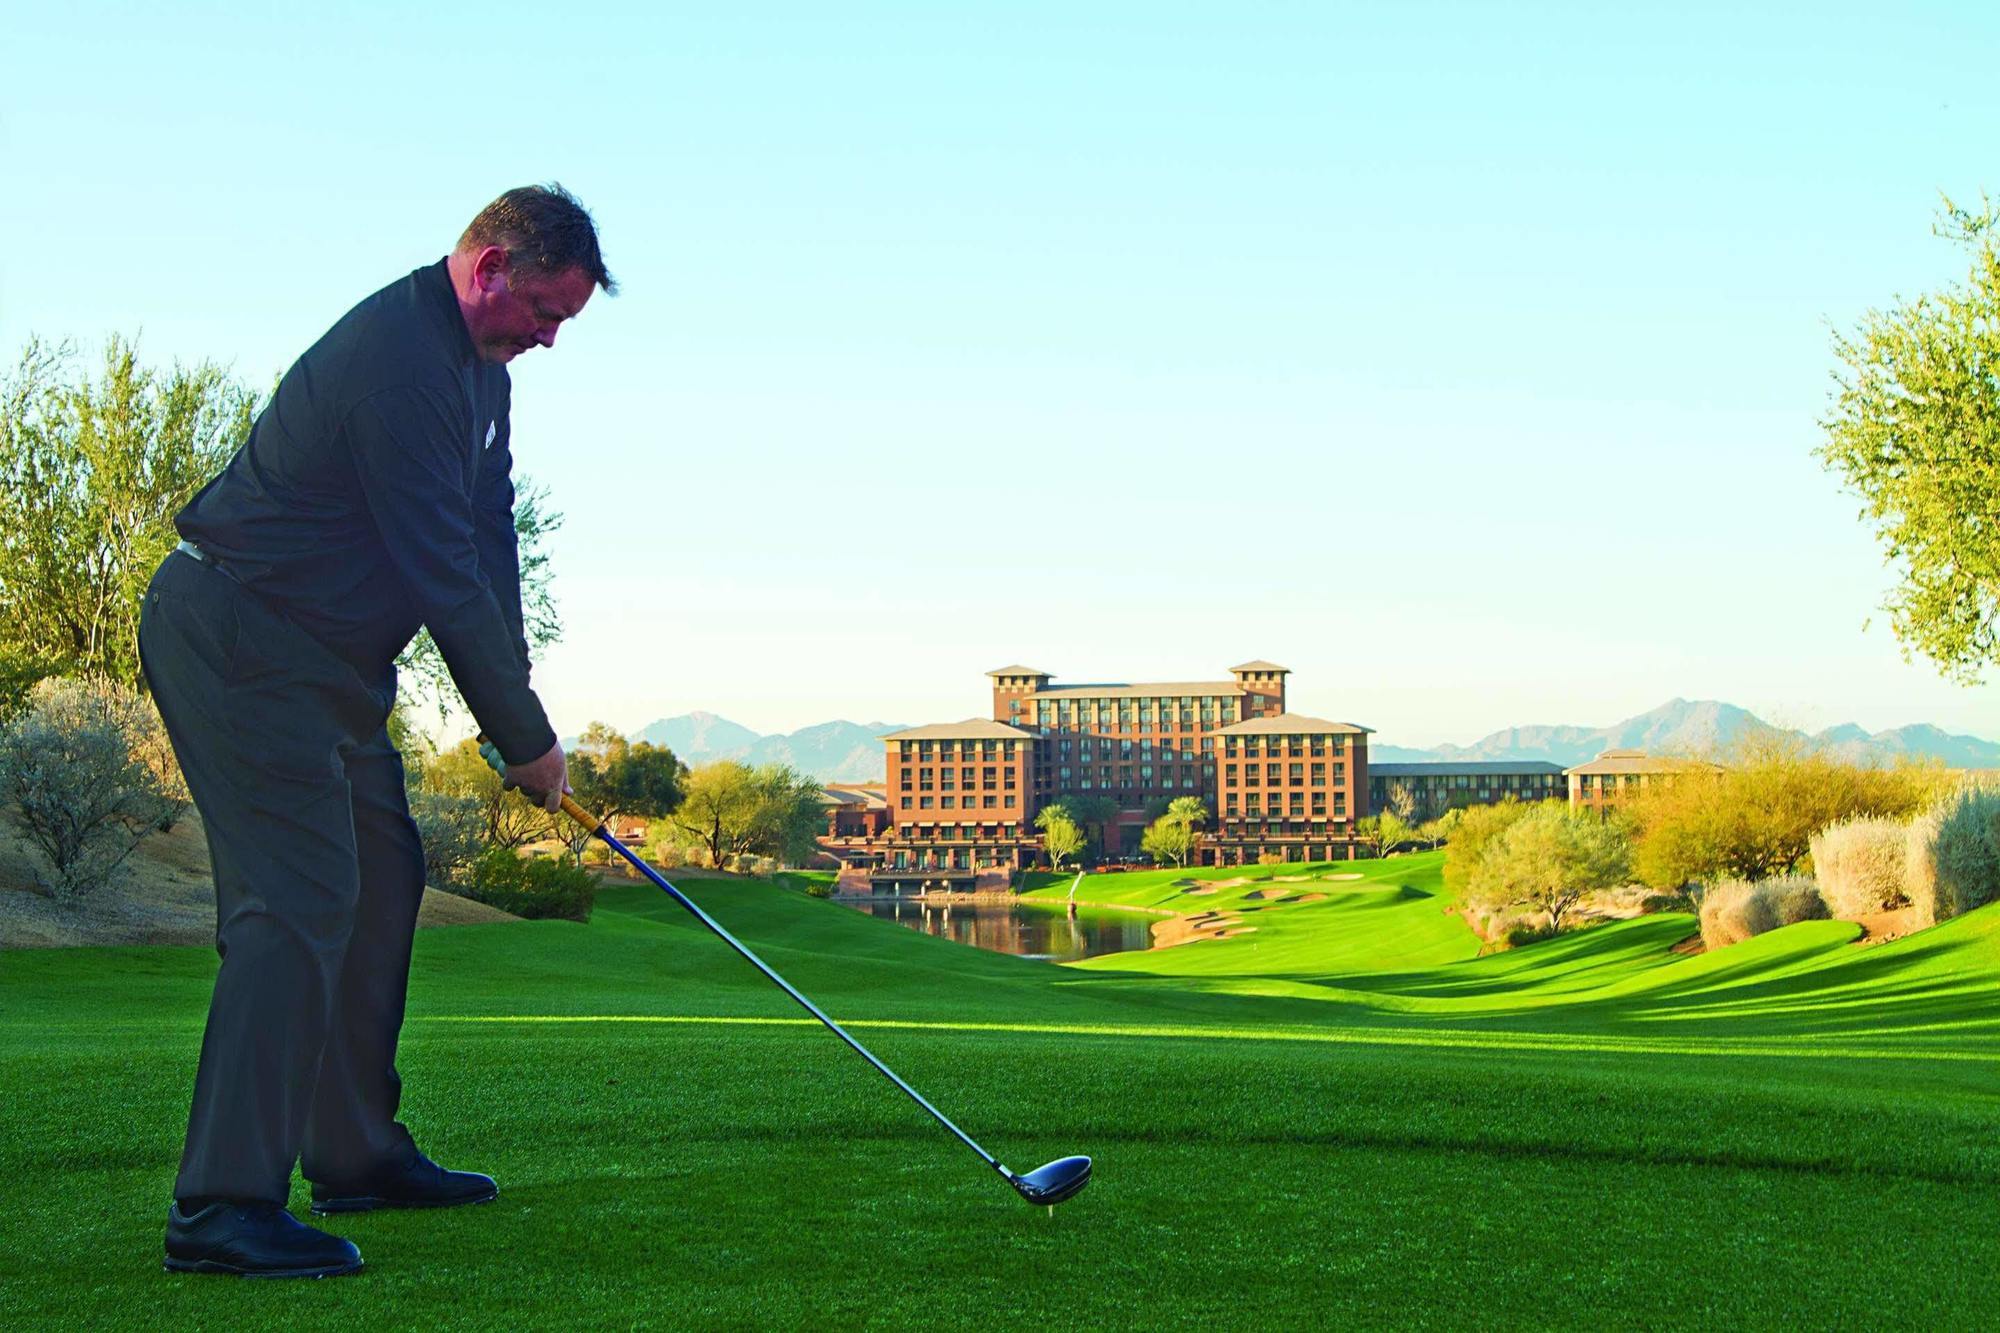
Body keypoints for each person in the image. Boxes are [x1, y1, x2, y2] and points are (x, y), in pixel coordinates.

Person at [139, 184, 612, 1278]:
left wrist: (518, 717)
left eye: (563, 323)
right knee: (295, 901)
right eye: (542, 310)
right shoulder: (401, 363)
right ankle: (219, 1207)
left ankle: (352, 1149)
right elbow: (436, 568)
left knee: (385, 874)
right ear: (489, 267)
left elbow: (489, 535)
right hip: (240, 636)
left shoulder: (480, 375)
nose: (547, 338)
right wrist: (526, 740)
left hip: (325, 664)